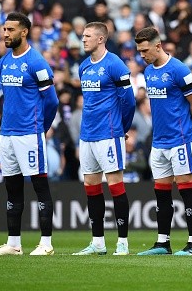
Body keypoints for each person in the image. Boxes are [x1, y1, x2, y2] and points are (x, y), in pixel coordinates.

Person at [0, 12, 58, 256]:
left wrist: (41, 129)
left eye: (11, 30)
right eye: (5, 29)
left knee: (40, 187)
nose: (6, 34)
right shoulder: (4, 61)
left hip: (29, 134)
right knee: (12, 187)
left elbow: (52, 102)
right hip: (7, 134)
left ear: (24, 32)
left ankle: (46, 244)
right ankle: (13, 243)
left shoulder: (36, 62)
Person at [134, 27, 192, 256]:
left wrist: (190, 125)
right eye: (139, 51)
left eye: (145, 50)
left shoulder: (179, 69)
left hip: (180, 138)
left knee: (186, 190)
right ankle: (163, 243)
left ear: (157, 45)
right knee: (161, 192)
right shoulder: (148, 71)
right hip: (159, 141)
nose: (142, 55)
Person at [72, 22, 136, 256]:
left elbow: (129, 101)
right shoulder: (84, 67)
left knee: (115, 185)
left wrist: (122, 127)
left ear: (101, 39)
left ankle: (122, 242)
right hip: (87, 134)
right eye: (83, 35)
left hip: (109, 134)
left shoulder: (115, 64)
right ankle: (98, 241)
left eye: (88, 36)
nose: (83, 39)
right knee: (91, 186)